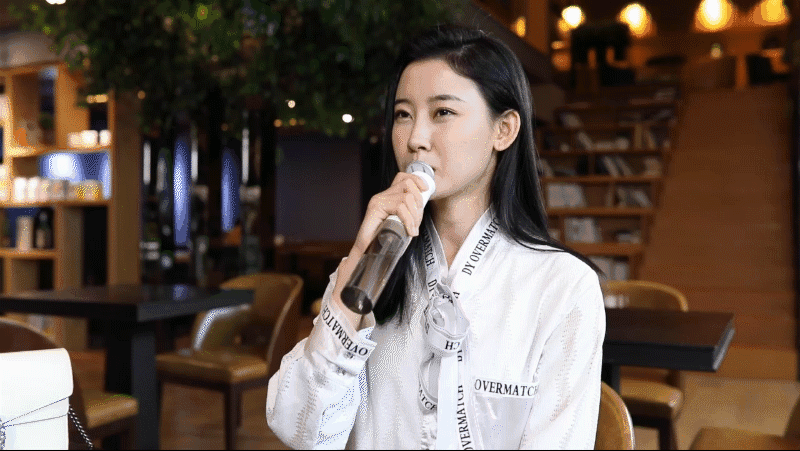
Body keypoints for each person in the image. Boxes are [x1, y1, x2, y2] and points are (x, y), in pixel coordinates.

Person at [266, 24, 605, 449]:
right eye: (403, 115)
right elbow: (304, 433)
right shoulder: (369, 268)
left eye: (442, 112)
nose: (415, 139)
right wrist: (361, 267)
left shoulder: (563, 286)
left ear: (504, 130)